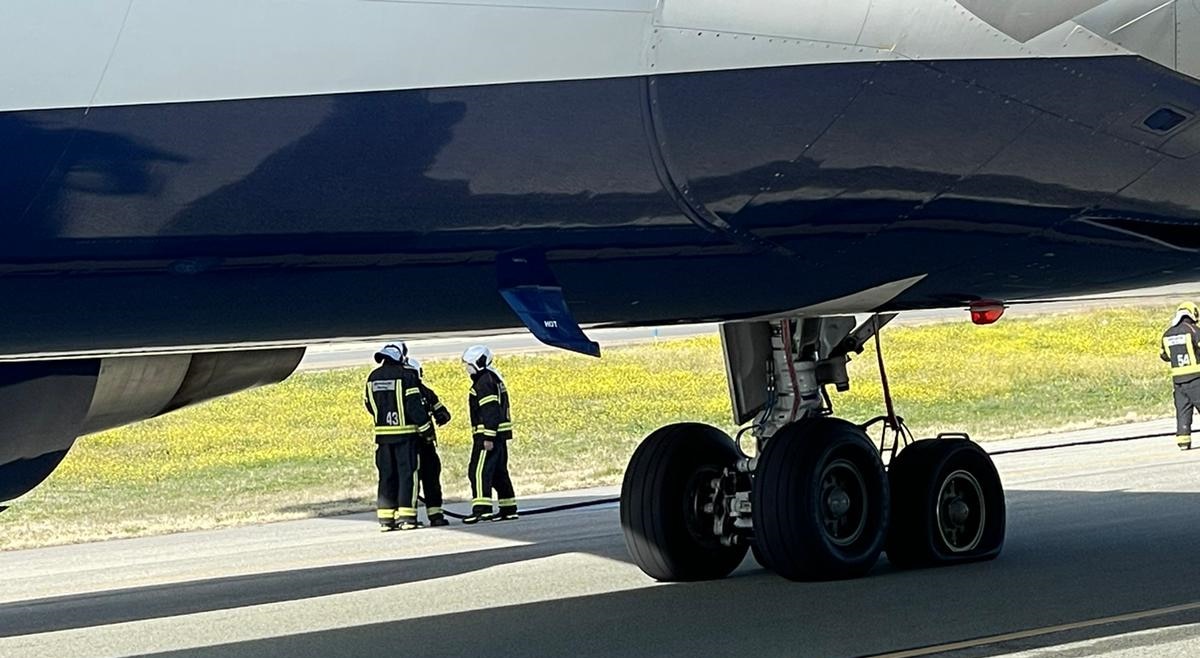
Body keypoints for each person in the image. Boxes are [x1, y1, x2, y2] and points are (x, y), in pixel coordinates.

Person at [364, 342, 432, 530]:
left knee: (386, 477)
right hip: (405, 437)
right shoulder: (407, 376)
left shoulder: (372, 377)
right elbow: (413, 405)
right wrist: (426, 429)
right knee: (407, 476)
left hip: (383, 438)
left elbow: (369, 404)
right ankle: (407, 518)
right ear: (400, 357)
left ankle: (386, 519)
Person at [461, 345, 518, 524]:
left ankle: (482, 510)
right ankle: (508, 508)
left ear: (478, 363)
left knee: (478, 472)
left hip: (487, 436)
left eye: (468, 364)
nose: (467, 369)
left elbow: (490, 410)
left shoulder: (484, 382)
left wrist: (488, 436)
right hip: (498, 435)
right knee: (498, 472)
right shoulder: (493, 378)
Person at [406, 358, 452, 527]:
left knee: (432, 479)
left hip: (427, 445)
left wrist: (441, 416)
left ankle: (436, 515)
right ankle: (410, 516)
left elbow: (442, 411)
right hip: (412, 444)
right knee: (412, 481)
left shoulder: (425, 391)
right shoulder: (406, 392)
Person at [1161, 302, 1200, 451]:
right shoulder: (1194, 330)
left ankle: (1183, 441)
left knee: (1183, 411)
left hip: (1178, 382)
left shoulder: (1167, 333)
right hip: (1196, 378)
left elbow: (1164, 355)